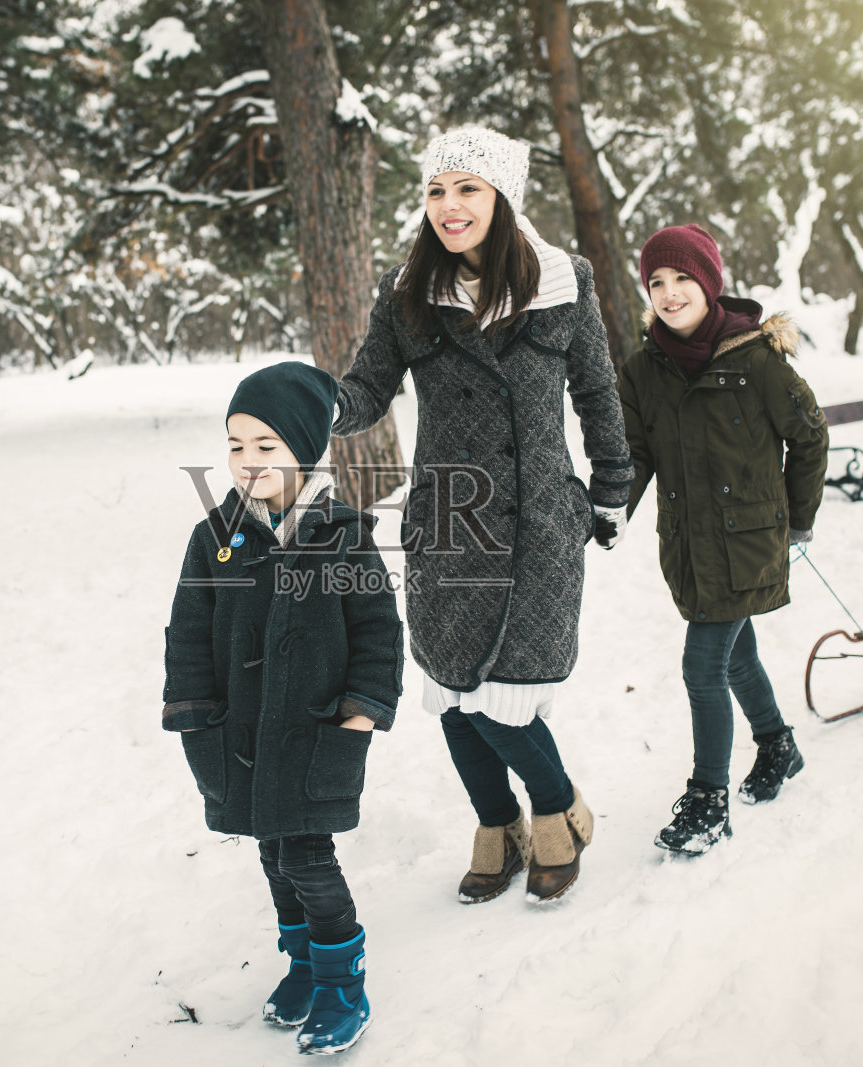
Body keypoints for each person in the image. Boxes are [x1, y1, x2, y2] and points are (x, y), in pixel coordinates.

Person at [333, 127, 633, 904]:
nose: (449, 206)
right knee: (452, 692)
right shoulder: (408, 295)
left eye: (466, 188)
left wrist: (610, 487)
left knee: (503, 697)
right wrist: (314, 407)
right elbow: (366, 389)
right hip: (450, 520)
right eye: (436, 190)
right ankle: (497, 824)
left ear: (501, 196)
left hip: (536, 522)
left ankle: (559, 809)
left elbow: (597, 392)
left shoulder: (563, 283)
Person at [162, 361, 403, 1055]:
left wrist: (361, 712)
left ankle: (342, 980)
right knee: (272, 853)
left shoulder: (342, 535)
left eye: (265, 445)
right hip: (238, 736)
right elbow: (188, 633)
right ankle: (302, 964)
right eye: (235, 445)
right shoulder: (215, 536)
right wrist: (192, 715)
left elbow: (379, 631)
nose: (246, 461)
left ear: (302, 446)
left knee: (306, 855)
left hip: (318, 730)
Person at [617, 224, 830, 855]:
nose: (670, 292)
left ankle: (708, 801)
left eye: (683, 278)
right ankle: (778, 744)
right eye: (657, 282)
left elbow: (810, 436)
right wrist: (606, 512)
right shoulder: (641, 370)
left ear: (709, 284)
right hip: (688, 544)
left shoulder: (756, 359)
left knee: (703, 666)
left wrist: (798, 517)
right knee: (736, 655)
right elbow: (634, 456)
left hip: (749, 541)